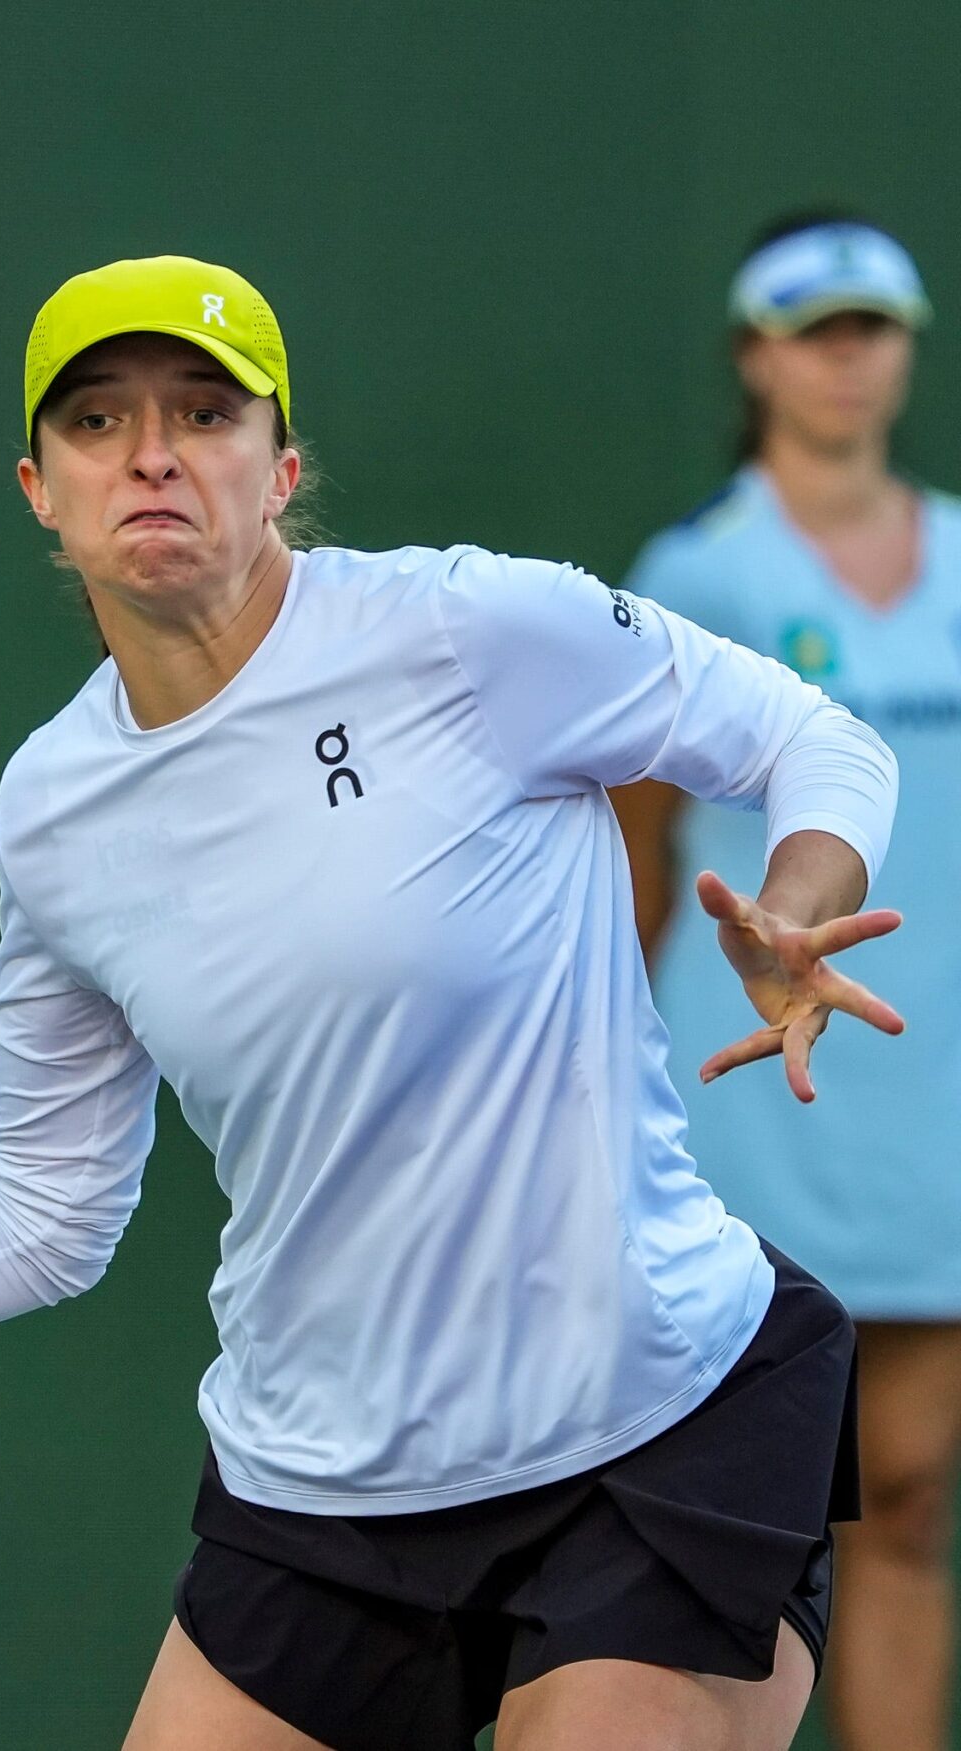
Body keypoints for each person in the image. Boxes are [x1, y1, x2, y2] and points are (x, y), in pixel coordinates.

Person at [0, 255, 907, 1750]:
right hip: (326, 1491)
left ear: (282, 466)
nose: (155, 454)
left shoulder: (464, 631)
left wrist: (802, 898)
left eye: (203, 411)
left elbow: (811, 739)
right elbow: (41, 1216)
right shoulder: (53, 813)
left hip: (659, 1427)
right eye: (99, 424)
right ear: (39, 490)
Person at [614, 212, 961, 1751]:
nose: (847, 358)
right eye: (813, 330)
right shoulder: (695, 575)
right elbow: (634, 860)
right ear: (757, 358)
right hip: (756, 1102)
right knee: (755, 1519)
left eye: (871, 327)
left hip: (937, 1105)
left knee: (907, 1496)